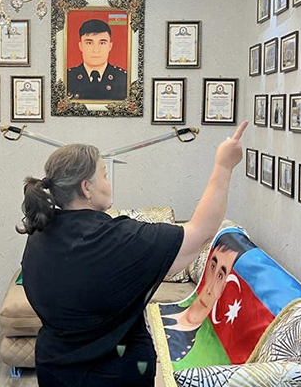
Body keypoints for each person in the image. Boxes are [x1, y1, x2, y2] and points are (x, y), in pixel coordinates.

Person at [20, 122, 248, 387]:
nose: (109, 183)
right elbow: (201, 231)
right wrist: (223, 166)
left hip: (53, 370)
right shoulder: (117, 239)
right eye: (105, 175)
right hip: (115, 375)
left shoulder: (39, 233)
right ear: (86, 188)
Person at [160, 232, 255, 366]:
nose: (209, 288)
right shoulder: (166, 309)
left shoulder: (182, 348)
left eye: (221, 275)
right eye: (212, 266)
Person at [66, 19, 127, 101]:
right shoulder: (67, 78)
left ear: (110, 46)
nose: (96, 50)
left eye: (102, 43)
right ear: (80, 46)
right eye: (89, 43)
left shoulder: (124, 78)